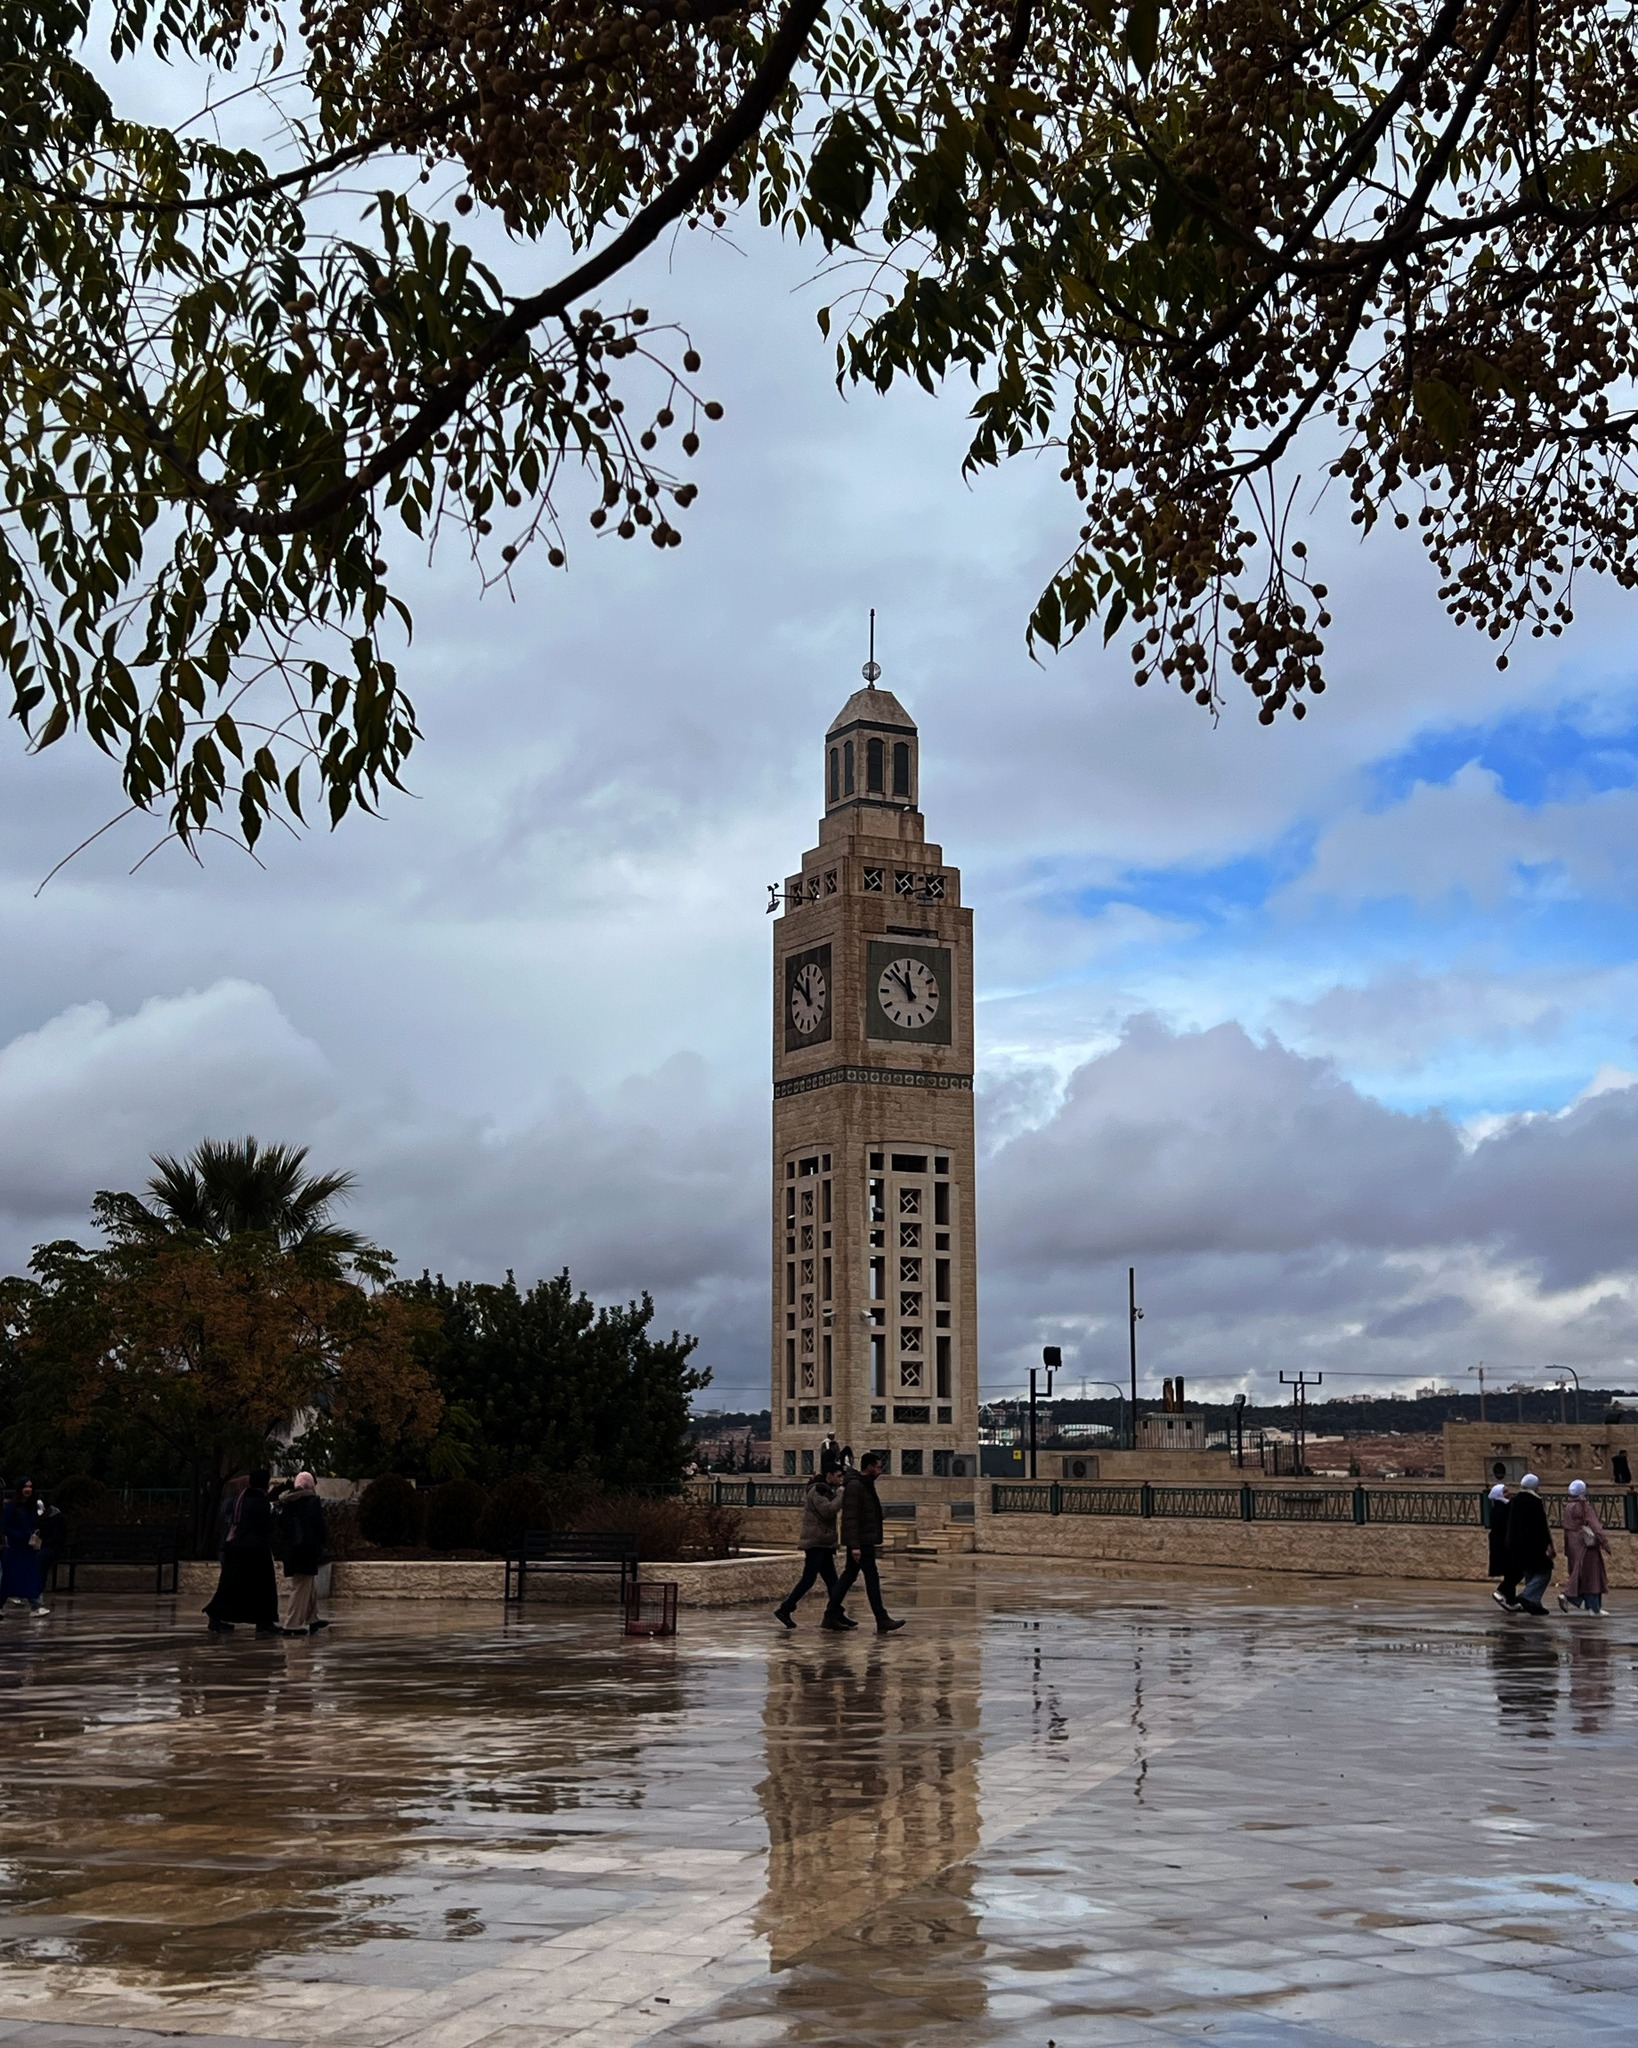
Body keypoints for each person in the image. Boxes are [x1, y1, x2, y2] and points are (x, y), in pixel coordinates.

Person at [824, 1452, 905, 1635]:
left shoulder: (865, 1484)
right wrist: (855, 1546)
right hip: (861, 1541)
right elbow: (850, 1517)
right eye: (878, 1467)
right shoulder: (855, 1485)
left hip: (864, 1539)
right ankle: (881, 1618)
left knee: (849, 1576)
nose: (880, 1471)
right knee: (870, 1577)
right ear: (869, 1467)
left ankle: (830, 1614)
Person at [203, 1468, 280, 1637]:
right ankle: (264, 1622)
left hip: (236, 1547)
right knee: (263, 1587)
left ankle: (216, 1616)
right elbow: (266, 1526)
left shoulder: (242, 1498)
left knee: (231, 1585)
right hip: (256, 1550)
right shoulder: (260, 1500)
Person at [774, 1468, 849, 1629]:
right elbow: (828, 1511)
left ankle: (836, 1613)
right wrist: (841, 1494)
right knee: (808, 1579)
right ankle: (785, 1609)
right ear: (829, 1475)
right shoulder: (817, 1490)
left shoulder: (826, 1490)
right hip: (816, 1542)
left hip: (824, 1542)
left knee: (832, 1581)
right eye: (838, 1476)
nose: (840, 1479)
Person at [276, 1471, 330, 1636]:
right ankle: (292, 1624)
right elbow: (318, 1527)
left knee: (308, 1585)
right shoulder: (311, 1502)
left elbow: (282, 1525)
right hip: (306, 1550)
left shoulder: (288, 1502)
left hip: (292, 1550)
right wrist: (323, 1541)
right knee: (301, 1586)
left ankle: (312, 1618)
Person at [1504, 1473, 1555, 1616]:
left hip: (1519, 1545)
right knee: (1545, 1572)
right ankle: (1527, 1596)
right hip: (1535, 1545)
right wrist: (1548, 1544)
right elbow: (1541, 1526)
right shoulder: (1534, 1501)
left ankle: (1534, 1604)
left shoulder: (1515, 1500)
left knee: (1530, 1573)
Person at [1558, 1478, 1611, 1616]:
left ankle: (1586, 1604)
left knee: (1580, 1574)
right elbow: (1594, 1524)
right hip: (1585, 1544)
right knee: (1592, 1575)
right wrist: (1604, 1542)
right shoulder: (1583, 1505)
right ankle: (1593, 1607)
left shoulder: (1568, 1506)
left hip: (1572, 1543)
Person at [1, 1479, 49, 1616]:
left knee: (29, 1577)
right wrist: (21, 1536)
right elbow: (6, 1527)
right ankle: (35, 1605)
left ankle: (36, 1605)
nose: (28, 1489)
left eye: (30, 1487)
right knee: (10, 1579)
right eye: (25, 1487)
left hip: (28, 1549)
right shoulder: (12, 1507)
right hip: (15, 1549)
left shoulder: (30, 1507)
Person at [1487, 1482, 1516, 1610]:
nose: (1509, 1493)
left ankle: (1511, 1600)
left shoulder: (1503, 1507)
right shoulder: (1501, 1509)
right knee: (1515, 1571)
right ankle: (1501, 1591)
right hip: (1504, 1545)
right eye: (1505, 1492)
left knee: (1510, 1572)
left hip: (1504, 1544)